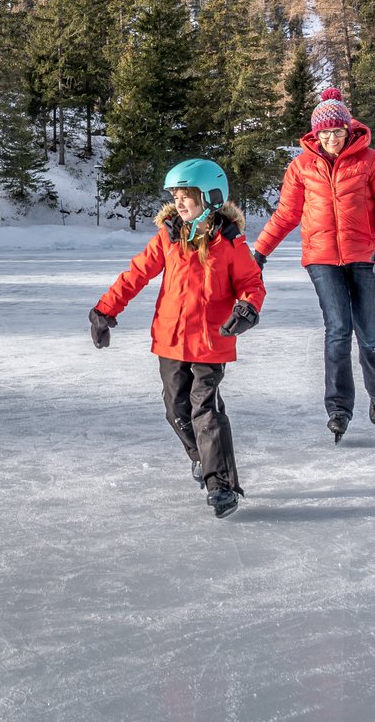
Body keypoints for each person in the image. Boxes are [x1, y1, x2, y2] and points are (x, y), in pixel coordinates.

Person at [89, 158, 265, 519]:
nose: (179, 202)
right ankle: (202, 459)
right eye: (176, 195)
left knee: (206, 412)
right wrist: (105, 310)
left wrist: (247, 309)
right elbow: (137, 273)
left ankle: (221, 486)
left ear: (211, 197)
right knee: (176, 412)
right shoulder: (169, 237)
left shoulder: (230, 243)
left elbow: (251, 284)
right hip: (170, 340)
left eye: (187, 196)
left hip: (210, 342)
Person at [253, 87, 375, 442]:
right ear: (314, 134)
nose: (332, 139)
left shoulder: (372, 161)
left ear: (349, 129)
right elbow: (287, 214)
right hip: (322, 258)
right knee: (337, 330)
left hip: (368, 257)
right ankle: (338, 407)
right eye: (325, 133)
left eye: (337, 132)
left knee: (369, 333)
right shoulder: (302, 166)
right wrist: (259, 252)